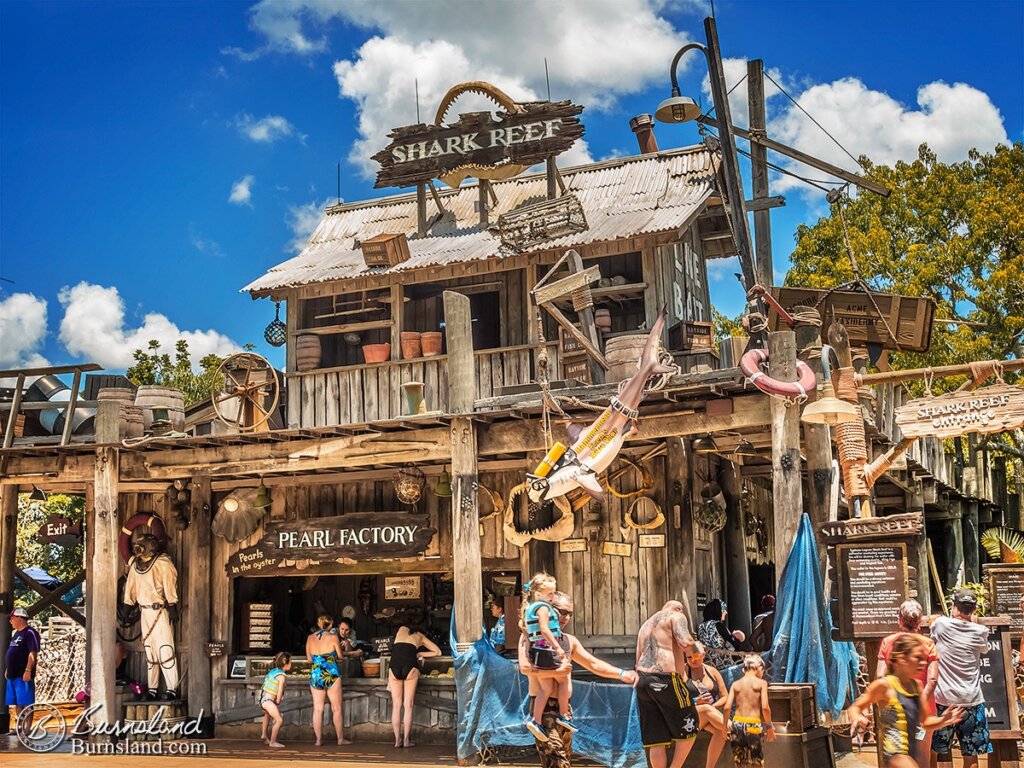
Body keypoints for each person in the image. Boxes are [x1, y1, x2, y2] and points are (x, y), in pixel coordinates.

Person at [520, 592, 638, 768]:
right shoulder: (532, 636)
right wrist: (557, 672)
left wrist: (622, 673)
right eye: (561, 612)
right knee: (557, 761)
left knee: (565, 758)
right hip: (543, 709)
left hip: (563, 709)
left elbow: (592, 663)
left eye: (570, 614)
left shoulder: (569, 641)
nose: (565, 618)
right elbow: (525, 668)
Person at [849, 634, 964, 767]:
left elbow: (925, 722)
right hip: (895, 754)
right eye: (918, 658)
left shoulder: (916, 686)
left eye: (923, 658)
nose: (923, 662)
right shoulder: (885, 685)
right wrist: (857, 717)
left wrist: (943, 720)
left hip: (912, 754)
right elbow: (855, 707)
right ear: (901, 658)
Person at [929, 589, 992, 767]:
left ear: (953, 607)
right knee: (971, 755)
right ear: (973, 610)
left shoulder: (940, 624)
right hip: (971, 700)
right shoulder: (980, 631)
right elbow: (984, 649)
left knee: (933, 750)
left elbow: (933, 625)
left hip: (943, 700)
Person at [635, 600, 701, 768]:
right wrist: (696, 654)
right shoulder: (676, 616)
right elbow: (685, 641)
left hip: (643, 680)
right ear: (679, 609)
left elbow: (637, 659)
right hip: (666, 678)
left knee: (656, 739)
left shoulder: (645, 625)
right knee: (691, 723)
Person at [876, 600, 939, 762]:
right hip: (924, 707)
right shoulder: (928, 644)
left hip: (895, 707)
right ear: (920, 622)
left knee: (895, 757)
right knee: (923, 759)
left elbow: (880, 676)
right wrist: (919, 705)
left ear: (900, 620)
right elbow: (932, 680)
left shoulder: (888, 642)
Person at [522, 573, 573, 739]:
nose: (552, 597)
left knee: (546, 688)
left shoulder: (530, 608)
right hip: (546, 649)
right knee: (564, 679)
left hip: (537, 650)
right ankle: (564, 715)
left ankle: (535, 721)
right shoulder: (543, 608)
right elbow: (544, 629)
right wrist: (557, 648)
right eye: (550, 593)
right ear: (538, 593)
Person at [388, 624, 441, 748]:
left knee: (396, 706)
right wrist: (419, 654)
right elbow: (438, 652)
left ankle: (397, 741)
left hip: (394, 666)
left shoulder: (400, 629)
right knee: (408, 705)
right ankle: (406, 741)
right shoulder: (420, 636)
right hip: (410, 666)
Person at [305, 613, 351, 747]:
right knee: (336, 708)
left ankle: (318, 740)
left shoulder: (309, 638)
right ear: (330, 625)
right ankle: (340, 739)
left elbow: (309, 659)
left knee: (318, 709)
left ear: (319, 624)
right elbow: (341, 656)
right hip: (331, 673)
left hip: (316, 673)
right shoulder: (333, 637)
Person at [723, 655, 775, 768]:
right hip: (753, 725)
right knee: (757, 760)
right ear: (759, 669)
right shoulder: (761, 683)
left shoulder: (735, 684)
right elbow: (765, 707)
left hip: (736, 725)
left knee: (739, 762)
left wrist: (724, 727)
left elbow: (727, 707)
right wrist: (769, 726)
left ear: (743, 670)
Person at [684, 644, 729, 768]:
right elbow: (675, 701)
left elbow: (725, 696)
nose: (693, 660)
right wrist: (694, 701)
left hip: (709, 716)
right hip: (689, 716)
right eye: (689, 657)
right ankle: (736, 729)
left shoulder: (712, 671)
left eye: (696, 656)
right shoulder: (682, 673)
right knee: (705, 709)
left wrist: (714, 706)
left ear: (703, 655)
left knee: (720, 731)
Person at [6, 607, 40, 729]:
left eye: (12, 618)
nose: (10, 621)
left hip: (23, 674)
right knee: (17, 702)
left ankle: (27, 728)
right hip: (12, 674)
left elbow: (32, 653)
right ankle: (18, 727)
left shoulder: (30, 633)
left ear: (20, 618)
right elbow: (13, 652)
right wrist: (7, 669)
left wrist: (28, 670)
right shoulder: (16, 634)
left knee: (26, 701)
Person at [698, 599, 745, 669]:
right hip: (722, 664)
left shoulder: (701, 625)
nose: (725, 612)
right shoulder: (718, 625)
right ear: (718, 611)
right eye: (723, 610)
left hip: (707, 663)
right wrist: (736, 637)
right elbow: (735, 645)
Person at [259, 652, 292, 749]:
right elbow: (280, 690)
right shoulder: (281, 676)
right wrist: (278, 701)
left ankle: (264, 735)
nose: (291, 664)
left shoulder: (273, 671)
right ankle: (273, 742)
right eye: (290, 662)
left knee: (267, 715)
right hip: (269, 701)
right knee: (279, 720)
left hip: (263, 699)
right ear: (285, 662)